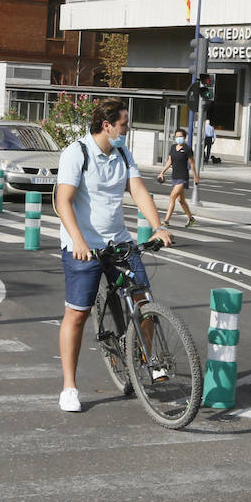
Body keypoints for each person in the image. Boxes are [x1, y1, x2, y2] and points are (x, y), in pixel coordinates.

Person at [54, 99, 173, 413]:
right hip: (85, 247)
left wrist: (158, 226)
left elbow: (138, 191)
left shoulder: (121, 152)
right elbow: (62, 201)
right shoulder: (76, 154)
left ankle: (147, 360)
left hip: (119, 242)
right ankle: (69, 387)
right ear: (107, 126)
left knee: (143, 303)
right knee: (77, 314)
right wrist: (78, 241)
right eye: (123, 124)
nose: (127, 128)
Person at [155, 128, 199, 227]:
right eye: (177, 136)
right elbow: (169, 161)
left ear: (184, 137)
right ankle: (191, 219)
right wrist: (162, 172)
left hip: (183, 177)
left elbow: (192, 164)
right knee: (181, 201)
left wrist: (196, 177)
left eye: (180, 136)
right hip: (175, 176)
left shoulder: (187, 149)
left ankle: (166, 221)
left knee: (172, 197)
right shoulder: (173, 147)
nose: (178, 138)